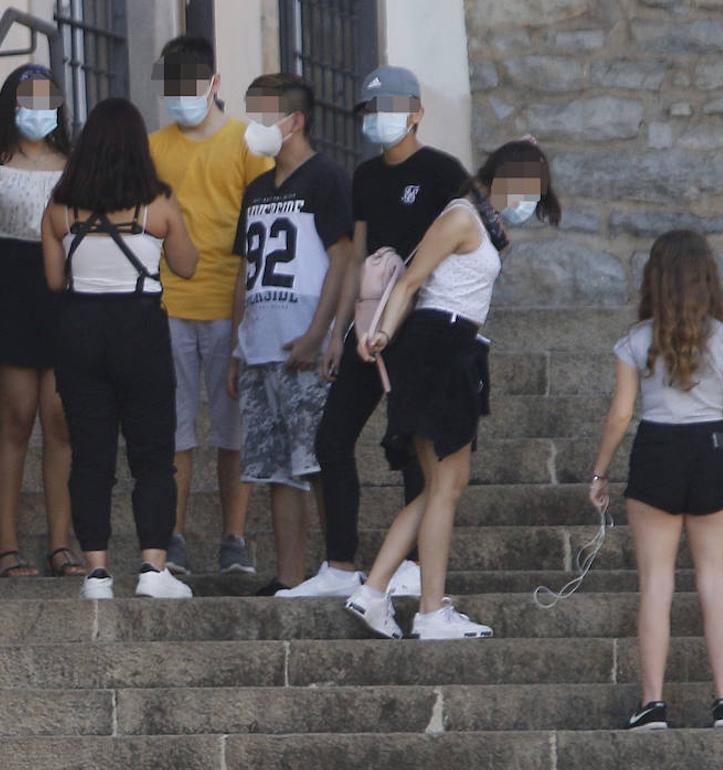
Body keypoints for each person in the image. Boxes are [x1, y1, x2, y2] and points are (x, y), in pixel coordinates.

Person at [345, 139, 561, 639]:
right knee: (446, 484)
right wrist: (379, 331)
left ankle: (376, 590)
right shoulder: (462, 216)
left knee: (444, 484)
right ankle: (427, 610)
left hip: (454, 347)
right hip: (438, 345)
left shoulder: (481, 222)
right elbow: (411, 279)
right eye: (527, 189)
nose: (528, 202)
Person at [279, 65, 471, 598]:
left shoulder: (442, 171)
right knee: (332, 438)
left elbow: (471, 240)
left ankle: (411, 567)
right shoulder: (364, 176)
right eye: (370, 112)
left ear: (415, 112)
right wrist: (341, 331)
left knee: (416, 441)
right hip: (367, 326)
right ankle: (340, 565)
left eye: (388, 110)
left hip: (422, 327)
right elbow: (358, 255)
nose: (378, 121)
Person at [588, 230, 723, 731]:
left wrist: (600, 471)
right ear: (706, 278)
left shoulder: (635, 340)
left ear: (656, 278)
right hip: (712, 451)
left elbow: (620, 415)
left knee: (656, 584)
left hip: (656, 450)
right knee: (714, 581)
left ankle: (652, 704)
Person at [42, 97, 198, 600]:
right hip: (140, 324)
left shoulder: (60, 208)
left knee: (91, 454)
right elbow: (188, 265)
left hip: (79, 325)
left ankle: (96, 572)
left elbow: (52, 279)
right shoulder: (159, 204)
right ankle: (153, 568)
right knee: (153, 452)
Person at [0, 64, 83, 579]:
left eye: (49, 99)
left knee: (61, 422)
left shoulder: (74, 163)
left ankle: (60, 545)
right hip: (4, 283)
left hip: (63, 285)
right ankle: (6, 547)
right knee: (18, 418)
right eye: (29, 99)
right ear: (11, 104)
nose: (39, 110)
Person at [148, 35, 274, 575]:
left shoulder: (248, 142)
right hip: (167, 304)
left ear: (214, 84)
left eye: (190, 86)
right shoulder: (154, 148)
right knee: (174, 429)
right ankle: (172, 538)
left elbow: (265, 227)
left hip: (231, 306)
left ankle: (234, 540)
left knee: (233, 432)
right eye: (172, 88)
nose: (181, 98)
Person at [225, 73, 352, 595]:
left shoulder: (326, 179)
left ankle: (338, 568)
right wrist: (237, 345)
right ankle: (289, 576)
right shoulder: (257, 188)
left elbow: (344, 259)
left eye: (263, 114)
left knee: (317, 458)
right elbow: (244, 268)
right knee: (277, 468)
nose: (253, 126)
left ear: (294, 121)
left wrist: (322, 332)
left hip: (305, 340)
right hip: (259, 344)